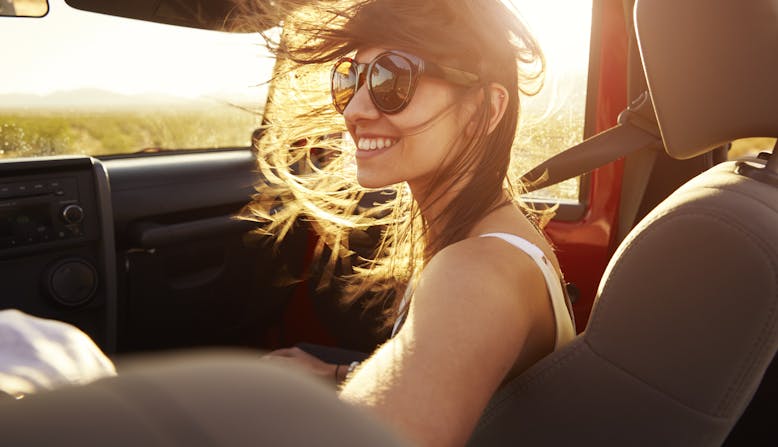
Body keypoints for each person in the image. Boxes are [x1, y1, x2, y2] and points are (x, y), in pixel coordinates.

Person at [242, 0, 577, 444]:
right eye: (349, 79)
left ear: (484, 111)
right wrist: (340, 372)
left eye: (391, 78)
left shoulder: (478, 272)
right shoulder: (477, 237)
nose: (354, 110)